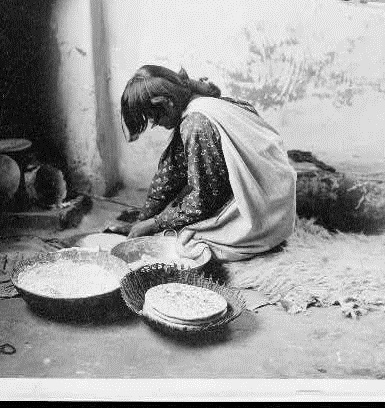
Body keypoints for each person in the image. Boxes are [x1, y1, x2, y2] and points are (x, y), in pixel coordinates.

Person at [120, 65, 297, 262]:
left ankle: (255, 236)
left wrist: (155, 223)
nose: (155, 124)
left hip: (266, 209)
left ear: (167, 102)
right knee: (170, 223)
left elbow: (204, 199)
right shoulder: (197, 104)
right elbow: (171, 171)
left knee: (184, 244)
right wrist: (142, 219)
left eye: (154, 117)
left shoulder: (197, 124)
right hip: (275, 191)